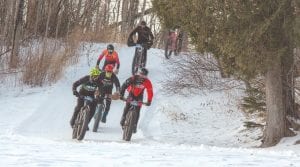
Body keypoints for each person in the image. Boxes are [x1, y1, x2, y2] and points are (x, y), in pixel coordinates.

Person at [119, 67, 153, 133]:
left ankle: (134, 125)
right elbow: (124, 85)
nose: (142, 77)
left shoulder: (147, 82)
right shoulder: (133, 78)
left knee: (137, 110)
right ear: (139, 74)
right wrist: (121, 95)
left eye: (144, 75)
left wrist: (149, 101)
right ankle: (123, 118)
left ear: (146, 76)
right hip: (131, 93)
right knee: (128, 105)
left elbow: (150, 91)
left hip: (139, 95)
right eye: (141, 74)